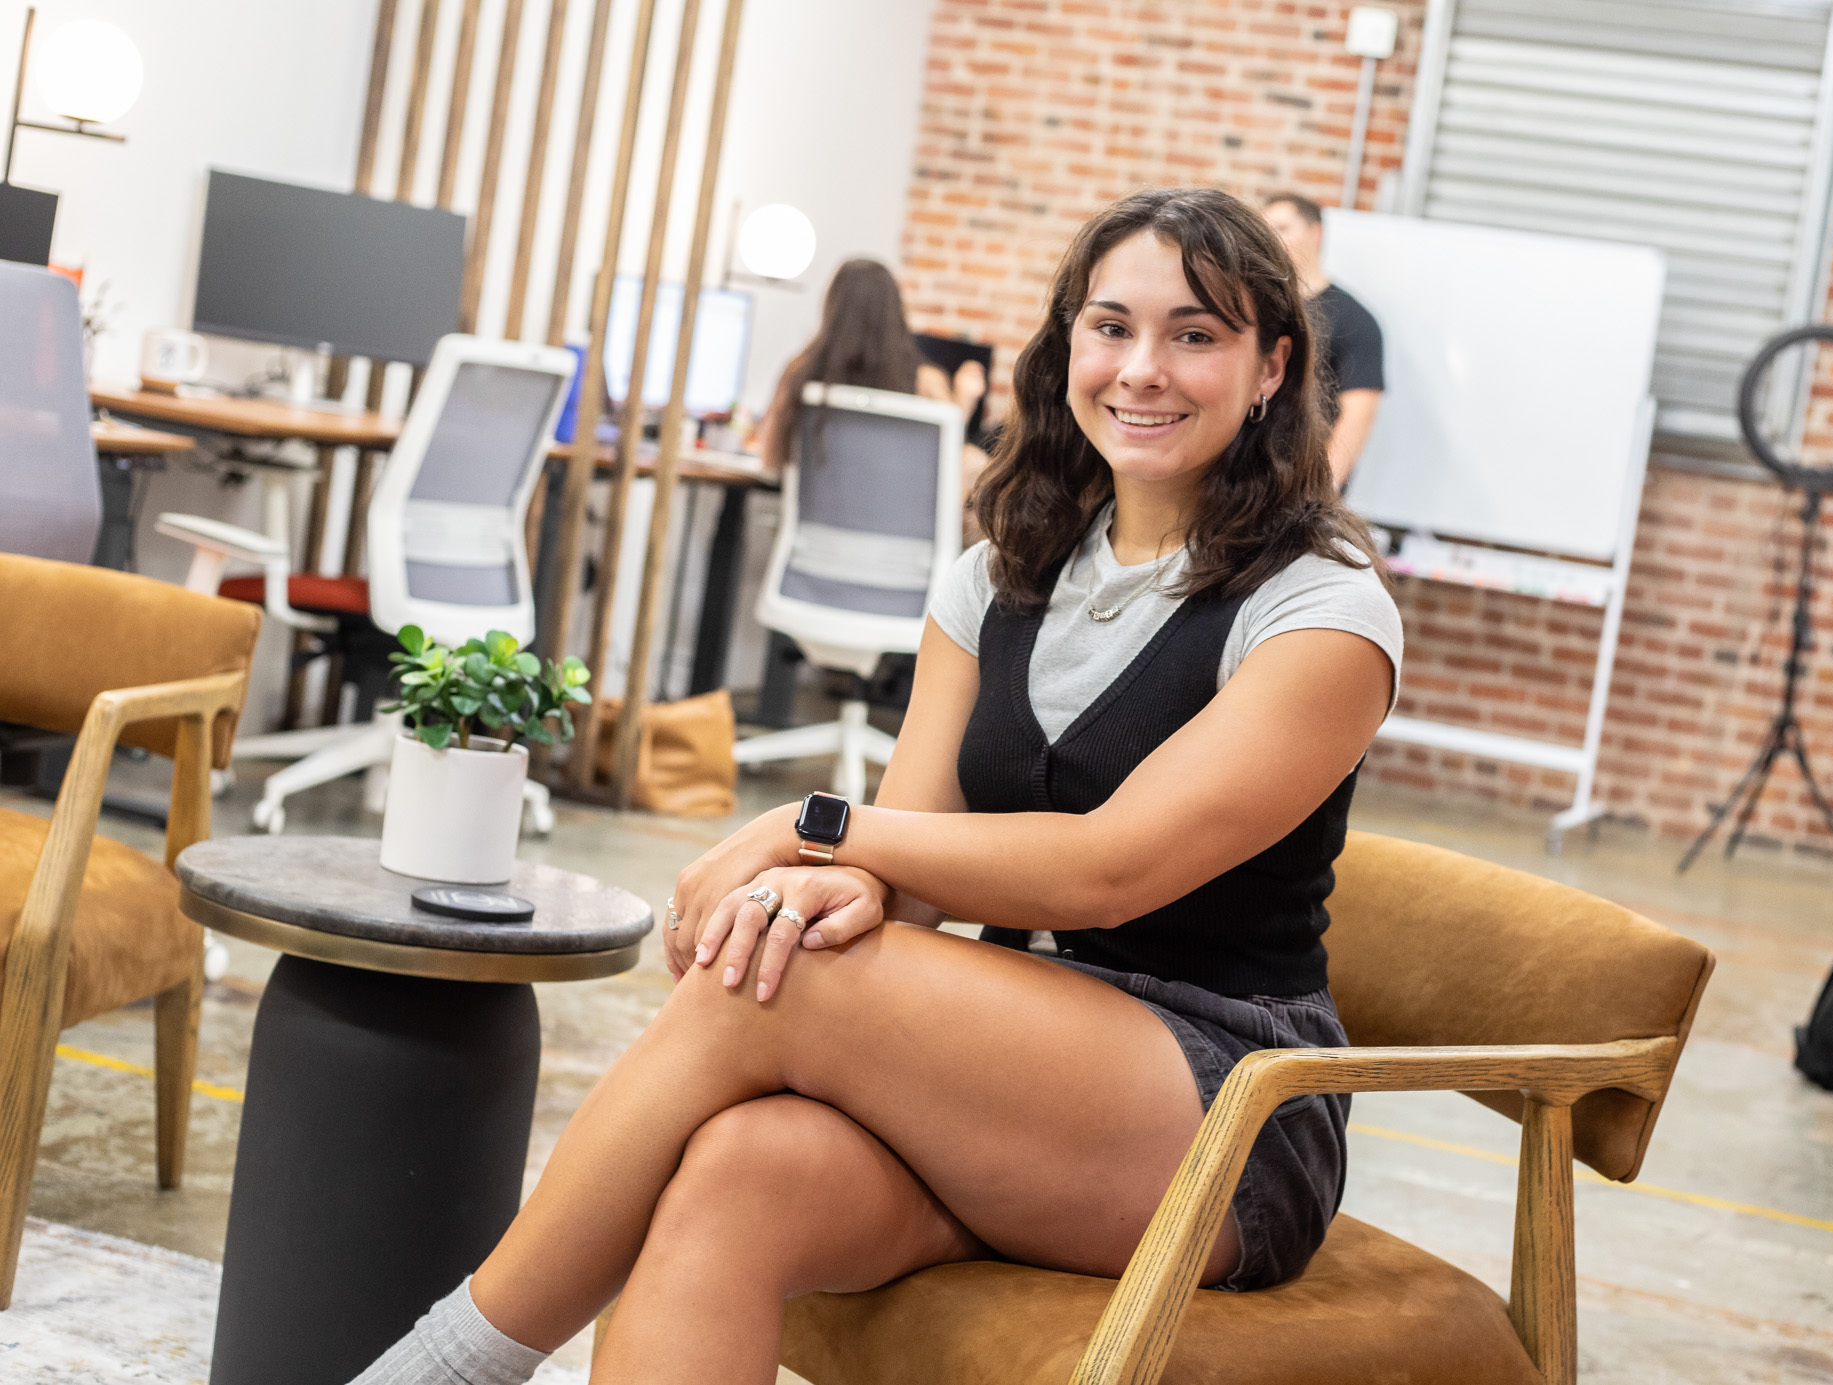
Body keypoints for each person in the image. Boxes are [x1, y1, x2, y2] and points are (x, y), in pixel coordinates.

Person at [349, 186, 1401, 1384]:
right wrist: (815, 885)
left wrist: (813, 829)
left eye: (1195, 335)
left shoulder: (1319, 607)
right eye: (1109, 327)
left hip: (1223, 1109)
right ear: (1066, 346)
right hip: (987, 1078)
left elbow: (1112, 867)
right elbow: (894, 872)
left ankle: (447, 1363)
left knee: (786, 984)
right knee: (735, 1170)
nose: (1141, 368)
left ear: (1271, 367)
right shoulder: (997, 573)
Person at [756, 256, 990, 498]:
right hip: (900, 530)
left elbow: (771, 462)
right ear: (895, 311)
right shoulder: (926, 381)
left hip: (815, 532)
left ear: (832, 308)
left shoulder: (802, 373)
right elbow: (947, 469)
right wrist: (962, 403)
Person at [1262, 193, 1384, 489]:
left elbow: (1358, 415)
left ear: (1315, 234)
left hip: (1299, 482)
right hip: (1239, 477)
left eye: (1282, 228)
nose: (1271, 239)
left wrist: (1320, 490)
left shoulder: (1354, 320)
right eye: (1266, 231)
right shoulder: (1256, 307)